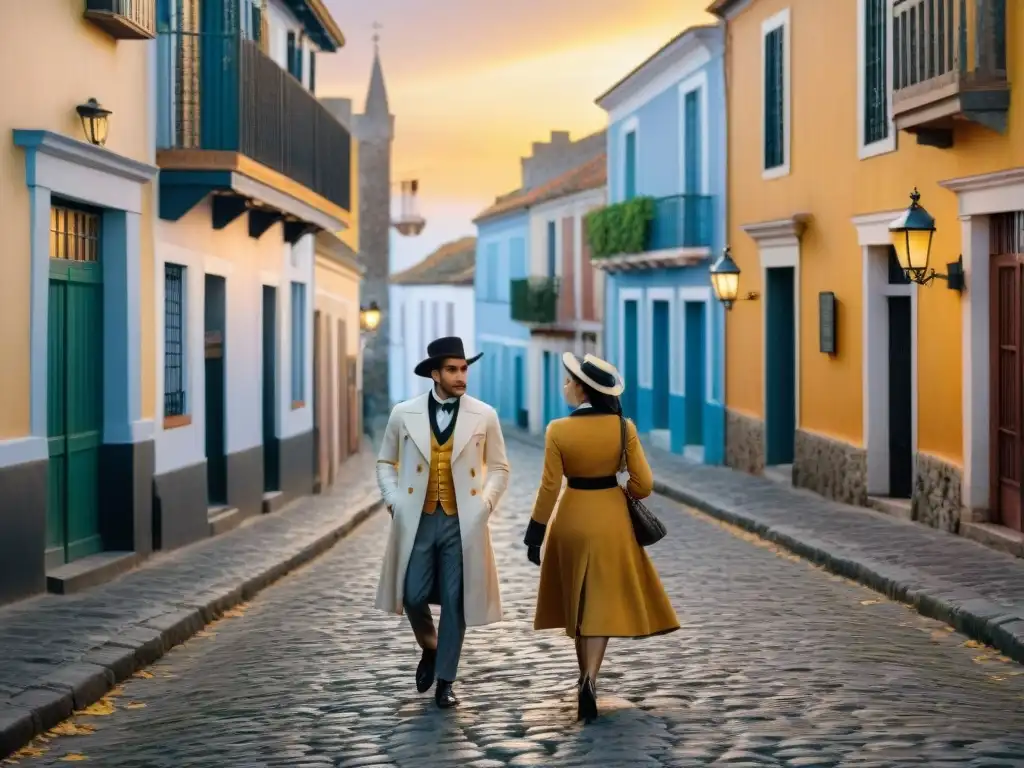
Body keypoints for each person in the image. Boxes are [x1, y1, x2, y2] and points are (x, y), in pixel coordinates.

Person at [523, 352, 679, 723]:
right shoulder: (624, 428)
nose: (565, 385)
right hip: (610, 519)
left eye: (568, 380)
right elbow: (644, 485)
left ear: (582, 388)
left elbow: (548, 488)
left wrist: (535, 534)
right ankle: (590, 679)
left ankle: (583, 677)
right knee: (601, 603)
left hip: (572, 516)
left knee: (580, 600)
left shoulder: (557, 430)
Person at [375, 336, 510, 709]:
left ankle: (446, 682)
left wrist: (485, 504)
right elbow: (385, 462)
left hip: (461, 522)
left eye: (464, 368)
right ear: (435, 374)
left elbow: (499, 467)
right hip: (417, 518)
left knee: (455, 600)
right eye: (452, 369)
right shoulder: (404, 413)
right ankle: (431, 648)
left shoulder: (485, 415)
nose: (461, 375)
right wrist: (394, 500)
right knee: (413, 594)